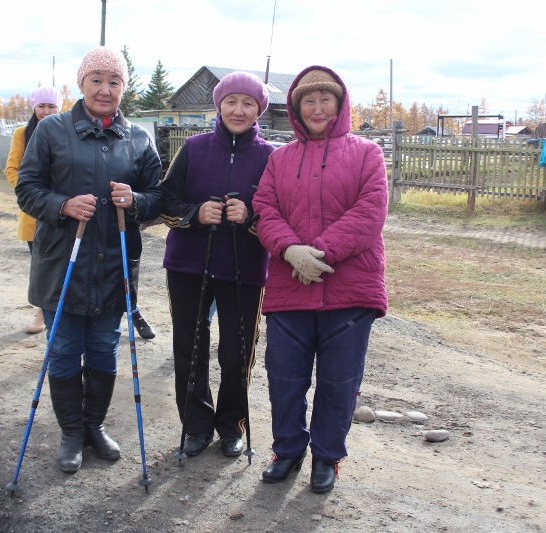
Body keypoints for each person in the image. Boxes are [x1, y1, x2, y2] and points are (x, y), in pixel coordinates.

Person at [15, 47, 163, 473]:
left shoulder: (138, 138)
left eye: (114, 81)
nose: (105, 89)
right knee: (62, 349)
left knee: (102, 347)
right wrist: (62, 205)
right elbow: (27, 189)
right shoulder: (52, 131)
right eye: (96, 79)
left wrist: (134, 199)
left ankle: (93, 427)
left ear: (123, 89)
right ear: (80, 85)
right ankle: (71, 432)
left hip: (113, 264)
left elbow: (157, 197)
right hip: (62, 262)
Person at [252, 66, 388, 493]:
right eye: (307, 100)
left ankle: (327, 456)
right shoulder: (279, 158)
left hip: (348, 290)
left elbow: (370, 212)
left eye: (324, 99)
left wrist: (321, 253)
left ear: (340, 104)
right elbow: (264, 208)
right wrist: (291, 250)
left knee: (339, 380)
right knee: (285, 378)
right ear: (295, 108)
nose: (316, 107)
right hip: (290, 287)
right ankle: (288, 449)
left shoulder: (367, 153)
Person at [161, 72, 274, 458]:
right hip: (188, 266)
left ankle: (231, 426)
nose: (238, 110)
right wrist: (195, 213)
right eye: (230, 102)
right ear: (219, 106)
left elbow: (282, 215)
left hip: (246, 270)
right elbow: (166, 201)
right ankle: (195, 425)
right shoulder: (193, 148)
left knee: (236, 352)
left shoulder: (272, 157)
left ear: (259, 109)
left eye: (247, 103)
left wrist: (251, 215)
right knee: (190, 348)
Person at [5, 86, 62, 334]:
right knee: (42, 268)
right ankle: (42, 313)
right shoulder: (22, 134)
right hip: (35, 213)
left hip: (65, 209)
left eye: (52, 107)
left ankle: (61, 313)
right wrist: (35, 194)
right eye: (42, 106)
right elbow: (12, 169)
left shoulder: (66, 131)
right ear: (34, 108)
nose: (46, 112)